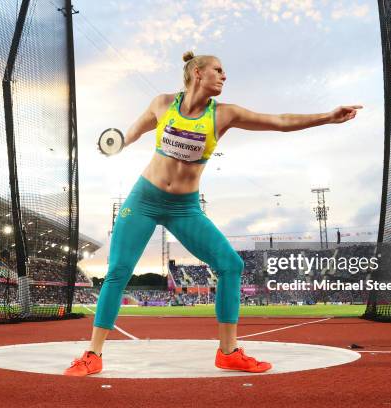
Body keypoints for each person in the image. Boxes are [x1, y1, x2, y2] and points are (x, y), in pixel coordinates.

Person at [65, 51, 361, 376]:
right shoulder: (162, 104)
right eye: (218, 70)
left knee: (230, 264)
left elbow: (279, 122)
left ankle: (229, 352)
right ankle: (92, 354)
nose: (224, 76)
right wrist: (118, 141)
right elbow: (134, 131)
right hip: (144, 200)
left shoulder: (224, 114)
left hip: (184, 208)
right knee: (118, 270)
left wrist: (327, 117)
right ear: (197, 73)